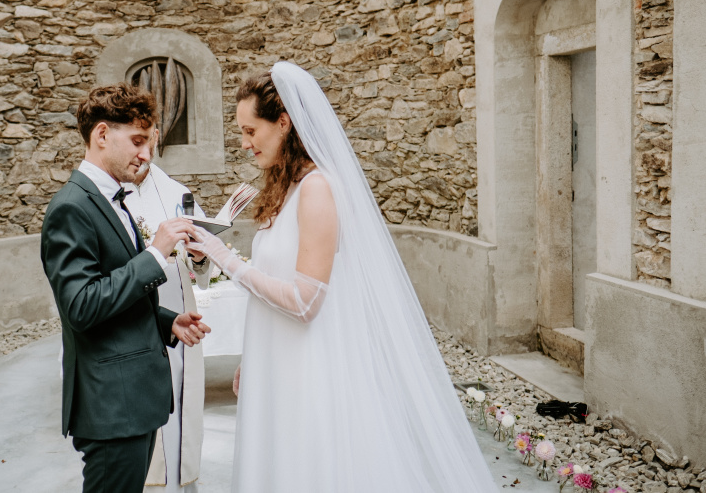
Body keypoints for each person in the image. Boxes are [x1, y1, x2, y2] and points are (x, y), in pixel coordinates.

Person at [186, 62, 497, 492]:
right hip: (279, 363)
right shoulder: (288, 189)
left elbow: (305, 302)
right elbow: (278, 282)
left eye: (250, 131)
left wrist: (225, 258)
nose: (244, 143)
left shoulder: (318, 189)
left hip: (310, 370)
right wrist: (253, 357)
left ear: (283, 123)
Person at [40, 83, 211, 493]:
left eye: (148, 143)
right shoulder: (72, 207)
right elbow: (81, 306)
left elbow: (113, 290)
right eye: (137, 141)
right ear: (102, 134)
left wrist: (166, 321)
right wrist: (155, 254)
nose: (146, 154)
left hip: (132, 402)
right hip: (112, 406)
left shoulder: (109, 199)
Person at [124, 134, 213, 492]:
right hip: (137, 321)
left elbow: (203, 273)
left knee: (181, 416)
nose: (143, 152)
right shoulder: (108, 198)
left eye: (149, 140)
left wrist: (200, 256)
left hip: (180, 316)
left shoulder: (178, 193)